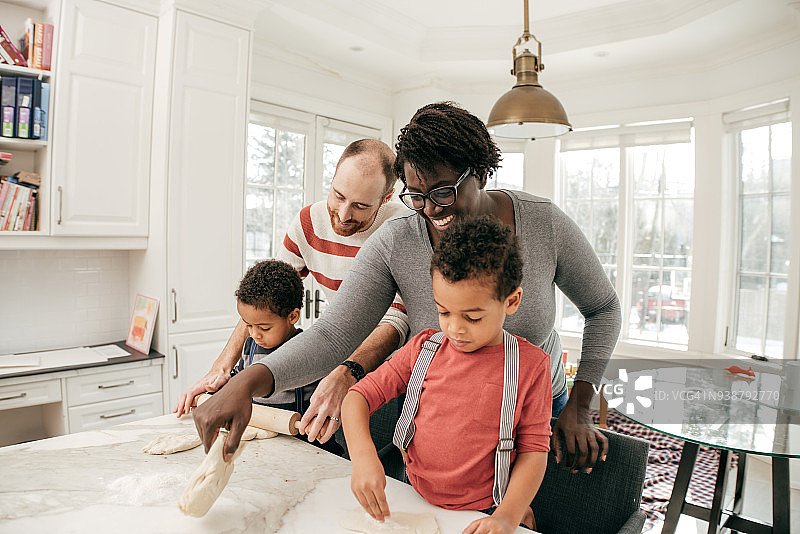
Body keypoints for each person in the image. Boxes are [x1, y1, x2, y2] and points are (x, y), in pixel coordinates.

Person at [194, 102, 621, 475]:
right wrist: (246, 382)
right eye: (416, 195)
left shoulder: (542, 223)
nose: (432, 210)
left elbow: (603, 308)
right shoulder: (399, 239)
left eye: (443, 192)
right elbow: (333, 334)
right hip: (445, 416)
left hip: (536, 411)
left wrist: (582, 405)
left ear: (482, 173)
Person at [175, 139, 409, 445]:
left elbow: (396, 322)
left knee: (371, 458)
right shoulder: (308, 224)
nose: (342, 213)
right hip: (337, 355)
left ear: (386, 198)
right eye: (338, 195)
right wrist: (221, 368)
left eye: (360, 206)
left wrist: (346, 372)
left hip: (389, 371)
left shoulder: (400, 228)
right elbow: (264, 301)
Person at [343, 216, 551, 533]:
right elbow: (357, 397)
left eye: (472, 316)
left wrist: (508, 516)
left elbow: (534, 451)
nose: (455, 328)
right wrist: (362, 458)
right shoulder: (423, 349)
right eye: (444, 311)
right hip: (411, 498)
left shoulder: (532, 366)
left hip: (484, 512)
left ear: (511, 301)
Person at [228, 259, 339, 454]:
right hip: (264, 445)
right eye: (248, 325)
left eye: (264, 327)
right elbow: (237, 380)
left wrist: (323, 422)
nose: (255, 334)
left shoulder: (309, 350)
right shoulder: (250, 346)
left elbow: (329, 398)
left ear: (292, 316)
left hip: (306, 447)